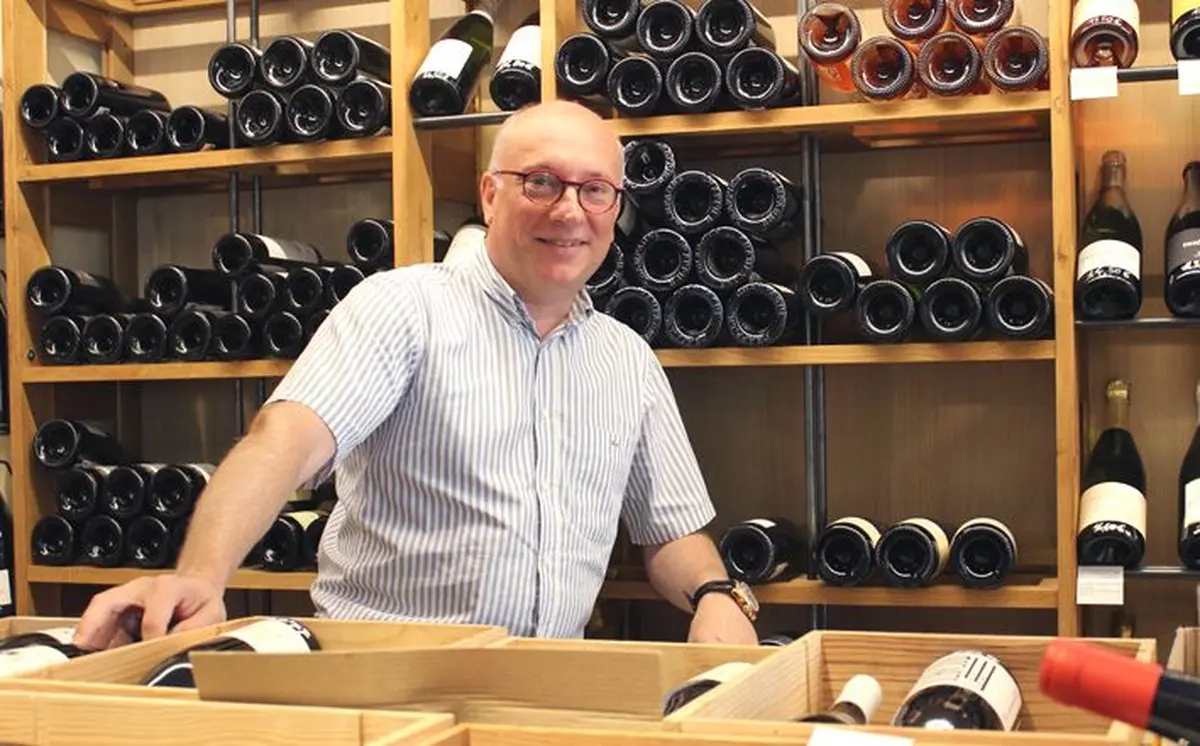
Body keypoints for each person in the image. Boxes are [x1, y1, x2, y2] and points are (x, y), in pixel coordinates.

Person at [72, 100, 760, 650]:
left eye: (595, 190)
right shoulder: (404, 309)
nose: (569, 210)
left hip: (543, 687)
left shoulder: (625, 359)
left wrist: (715, 596)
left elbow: (668, 529)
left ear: (616, 207)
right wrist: (199, 576)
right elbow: (282, 440)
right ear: (490, 194)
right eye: (542, 182)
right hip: (383, 679)